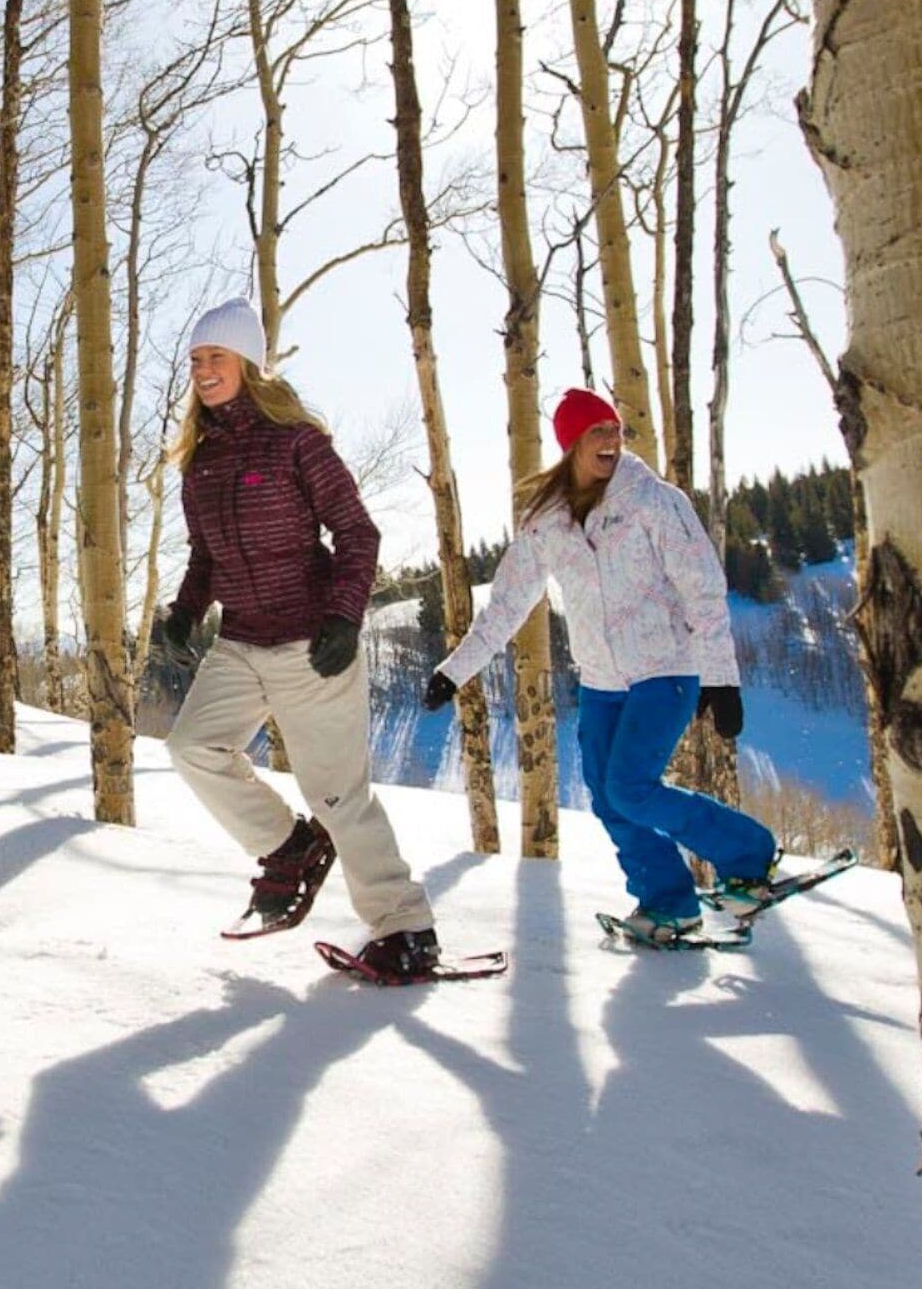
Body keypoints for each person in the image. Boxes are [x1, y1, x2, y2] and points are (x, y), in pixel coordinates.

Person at [424, 388, 777, 945]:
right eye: (597, 432)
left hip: (666, 668)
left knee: (632, 787)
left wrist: (721, 677)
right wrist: (454, 671)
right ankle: (668, 902)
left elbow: (704, 590)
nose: (612, 440)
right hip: (601, 682)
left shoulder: (654, 502)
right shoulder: (546, 523)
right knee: (609, 795)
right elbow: (508, 606)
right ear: (570, 445)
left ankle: (748, 855)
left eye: (615, 429)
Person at [154, 299, 442, 978]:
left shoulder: (296, 442)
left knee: (339, 795)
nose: (202, 371)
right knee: (192, 747)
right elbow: (205, 555)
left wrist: (344, 617)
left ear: (248, 363)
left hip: (312, 642)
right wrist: (186, 610)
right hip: (242, 640)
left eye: (215, 358)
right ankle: (289, 850)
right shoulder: (198, 460)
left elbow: (357, 533)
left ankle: (406, 928)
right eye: (195, 361)